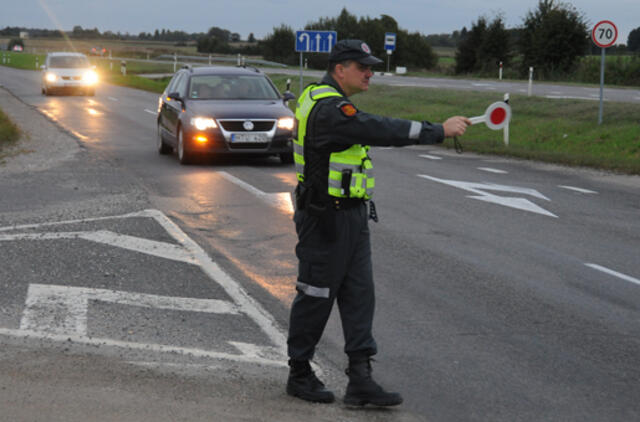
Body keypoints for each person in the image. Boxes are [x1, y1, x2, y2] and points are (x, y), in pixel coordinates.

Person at [286, 39, 471, 407]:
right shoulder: (329, 109)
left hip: (352, 216)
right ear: (341, 69)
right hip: (325, 219)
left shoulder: (330, 101)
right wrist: (439, 131)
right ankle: (299, 373)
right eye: (363, 66)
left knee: (359, 296)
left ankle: (360, 379)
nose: (370, 72)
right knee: (316, 296)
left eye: (371, 66)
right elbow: (379, 128)